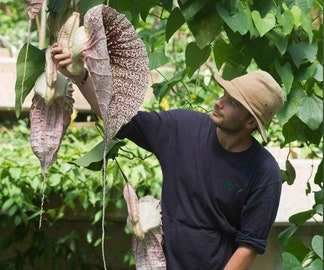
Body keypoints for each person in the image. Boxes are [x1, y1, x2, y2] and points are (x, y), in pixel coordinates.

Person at [51, 43, 284, 269]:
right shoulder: (182, 128)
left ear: (250, 121)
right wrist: (81, 76)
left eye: (231, 102)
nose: (219, 102)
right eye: (224, 94)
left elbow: (249, 246)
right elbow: (120, 119)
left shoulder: (264, 171)